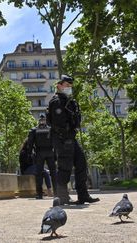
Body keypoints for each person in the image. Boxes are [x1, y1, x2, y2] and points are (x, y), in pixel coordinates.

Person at [47, 75, 100, 205]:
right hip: (62, 139)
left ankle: (83, 195)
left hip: (71, 138)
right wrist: (66, 137)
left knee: (81, 163)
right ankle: (62, 197)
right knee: (65, 167)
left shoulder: (68, 101)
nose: (69, 88)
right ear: (59, 85)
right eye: (67, 85)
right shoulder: (56, 101)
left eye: (70, 86)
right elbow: (57, 124)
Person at [27, 114, 57, 199]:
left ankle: (39, 194)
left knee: (39, 174)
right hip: (48, 152)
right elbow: (55, 142)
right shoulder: (50, 129)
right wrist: (55, 154)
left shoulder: (34, 130)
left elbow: (30, 143)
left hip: (40, 153)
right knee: (53, 173)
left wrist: (30, 154)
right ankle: (57, 192)